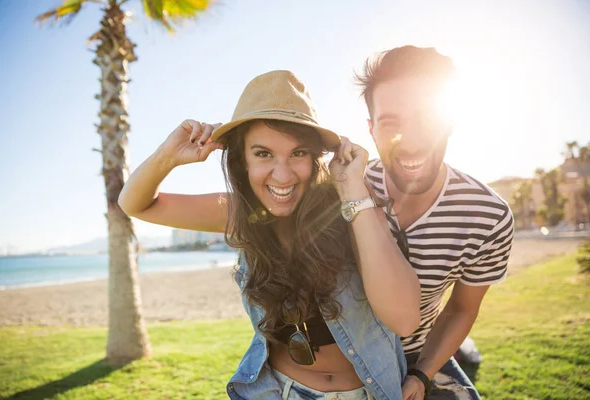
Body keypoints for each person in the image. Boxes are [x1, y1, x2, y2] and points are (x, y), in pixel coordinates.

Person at [118, 70, 421, 400]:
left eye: (298, 153)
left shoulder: (352, 207)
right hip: (281, 391)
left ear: (315, 158)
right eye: (263, 154)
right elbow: (134, 204)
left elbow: (404, 320)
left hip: (370, 392)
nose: (283, 174)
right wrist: (168, 155)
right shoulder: (239, 213)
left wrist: (353, 192)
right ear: (242, 160)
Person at [356, 46, 515, 399]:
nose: (410, 142)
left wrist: (421, 375)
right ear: (371, 130)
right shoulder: (345, 189)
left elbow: (461, 309)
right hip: (344, 360)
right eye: (390, 123)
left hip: (420, 355)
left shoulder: (488, 216)